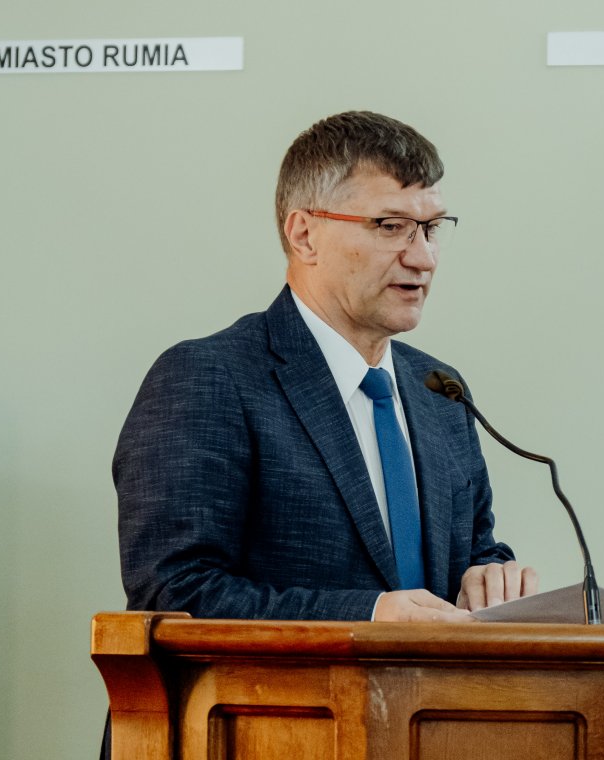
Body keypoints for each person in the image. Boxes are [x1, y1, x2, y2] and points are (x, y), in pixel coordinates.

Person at [114, 111, 536, 623]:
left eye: (431, 229)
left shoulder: (440, 390)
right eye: (391, 227)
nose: (424, 258)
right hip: (285, 681)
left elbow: (473, 551)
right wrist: (370, 616)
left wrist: (488, 575)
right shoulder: (207, 378)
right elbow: (173, 592)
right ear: (304, 235)